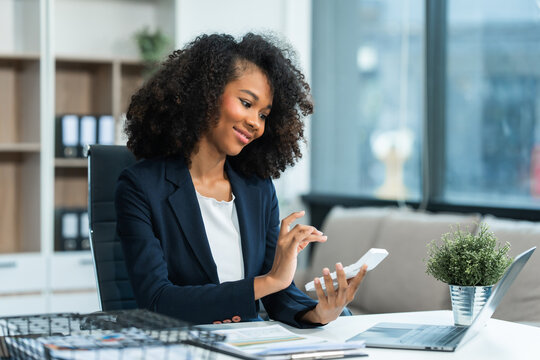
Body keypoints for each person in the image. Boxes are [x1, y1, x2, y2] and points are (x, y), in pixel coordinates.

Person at [115, 33, 367, 328]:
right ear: (205, 94)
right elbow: (157, 301)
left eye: (263, 115)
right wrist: (270, 279)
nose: (255, 123)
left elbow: (278, 294)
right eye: (247, 103)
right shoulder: (140, 186)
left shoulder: (256, 189)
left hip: (248, 346)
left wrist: (319, 313)